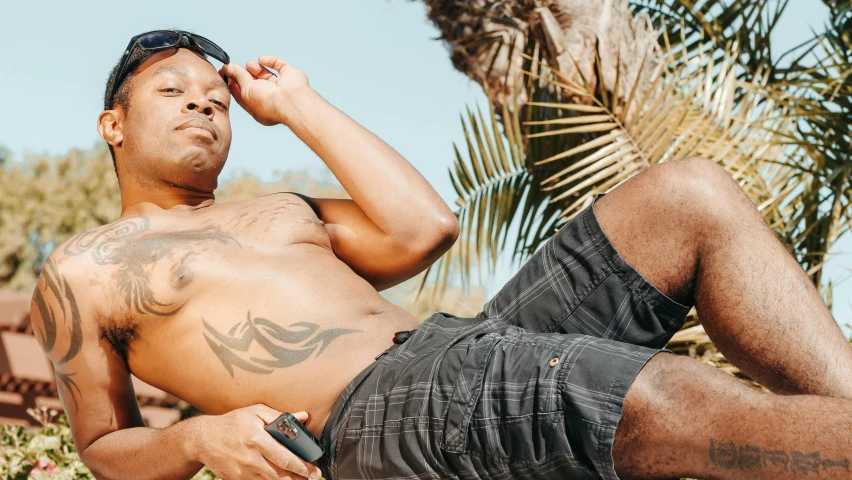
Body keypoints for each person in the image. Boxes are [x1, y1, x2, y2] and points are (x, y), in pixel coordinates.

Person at [30, 29, 852, 480]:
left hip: (456, 352)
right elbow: (104, 447)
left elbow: (425, 226)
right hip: (374, 414)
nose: (203, 106)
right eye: (173, 94)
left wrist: (300, 104)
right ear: (113, 125)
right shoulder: (84, 268)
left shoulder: (283, 210)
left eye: (215, 98)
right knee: (666, 401)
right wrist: (197, 441)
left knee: (688, 195)